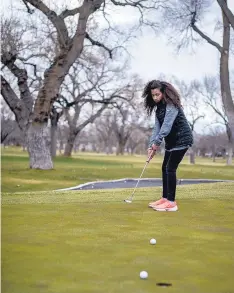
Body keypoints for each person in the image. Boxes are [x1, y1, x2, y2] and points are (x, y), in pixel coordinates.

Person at [142, 80, 193, 212]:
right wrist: (150, 145)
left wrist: (156, 144)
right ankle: (165, 198)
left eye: (157, 94)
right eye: (153, 95)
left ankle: (171, 203)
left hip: (182, 139)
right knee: (165, 167)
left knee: (170, 168)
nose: (155, 98)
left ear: (164, 93)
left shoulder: (171, 105)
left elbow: (166, 127)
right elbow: (157, 129)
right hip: (171, 142)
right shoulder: (159, 108)